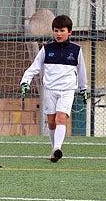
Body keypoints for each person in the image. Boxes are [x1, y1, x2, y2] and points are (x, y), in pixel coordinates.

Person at [20, 14, 89, 162]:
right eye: (56, 30)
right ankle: (54, 150)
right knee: (51, 122)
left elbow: (82, 70)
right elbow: (34, 67)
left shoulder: (76, 50)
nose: (58, 34)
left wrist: (83, 88)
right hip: (50, 90)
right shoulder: (46, 49)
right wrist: (25, 82)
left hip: (67, 90)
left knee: (61, 118)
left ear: (69, 32)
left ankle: (58, 148)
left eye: (62, 30)